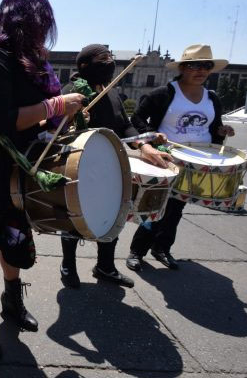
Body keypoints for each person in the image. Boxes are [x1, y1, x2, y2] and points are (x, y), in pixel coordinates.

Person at [0, 0, 84, 360]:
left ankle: (12, 301)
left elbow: (38, 120)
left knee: (15, 241)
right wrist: (56, 104)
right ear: (23, 21)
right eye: (41, 22)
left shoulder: (27, 64)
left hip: (24, 169)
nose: (44, 30)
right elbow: (6, 121)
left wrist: (64, 117)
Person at [58, 44, 172, 289]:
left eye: (110, 57)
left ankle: (105, 266)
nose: (109, 62)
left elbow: (125, 125)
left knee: (112, 214)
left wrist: (144, 145)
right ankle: (68, 264)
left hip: (111, 165)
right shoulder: (71, 91)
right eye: (103, 58)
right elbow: (60, 129)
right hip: (79, 167)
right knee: (74, 216)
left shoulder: (110, 92)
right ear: (84, 65)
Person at [126, 44, 235, 271]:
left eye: (206, 66)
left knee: (176, 210)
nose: (201, 70)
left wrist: (222, 131)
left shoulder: (212, 98)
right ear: (183, 68)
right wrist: (151, 138)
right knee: (154, 205)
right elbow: (137, 119)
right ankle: (137, 251)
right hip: (166, 159)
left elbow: (214, 126)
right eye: (194, 65)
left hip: (195, 161)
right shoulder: (164, 94)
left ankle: (162, 248)